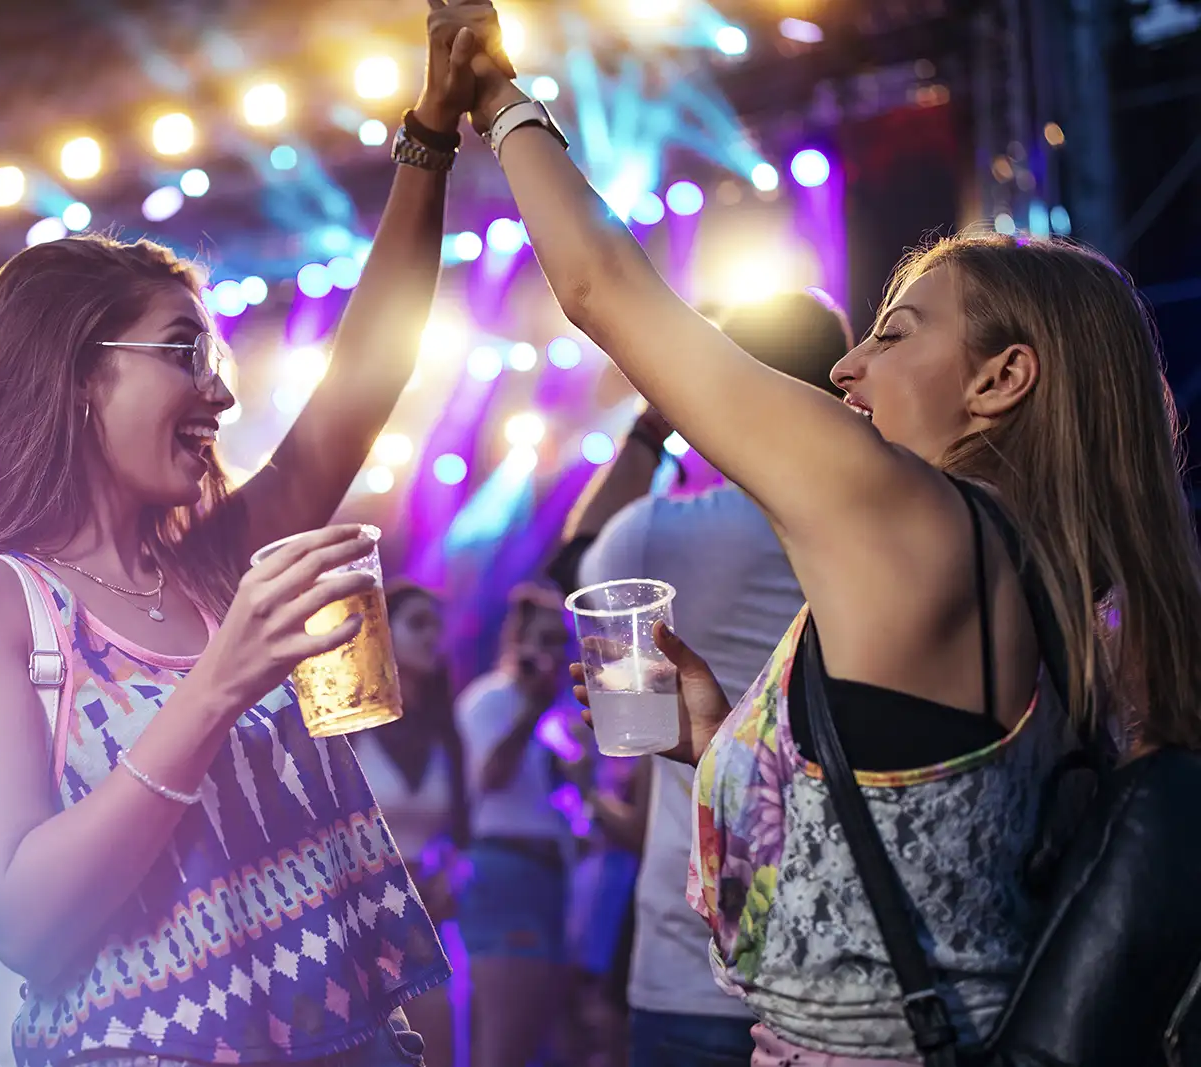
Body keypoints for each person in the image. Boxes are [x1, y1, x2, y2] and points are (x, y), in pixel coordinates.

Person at [450, 14, 1201, 1063]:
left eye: (893, 334)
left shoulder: (915, 518)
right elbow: (917, 843)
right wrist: (718, 731)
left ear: (1000, 379)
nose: (847, 370)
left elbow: (601, 290)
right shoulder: (1061, 575)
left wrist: (494, 95)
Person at [0, 8, 511, 1065]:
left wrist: (430, 135)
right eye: (181, 352)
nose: (217, 389)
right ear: (80, 377)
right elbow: (27, 919)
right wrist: (219, 683)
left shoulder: (211, 565)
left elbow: (365, 381)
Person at [552, 294, 852, 1067]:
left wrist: (657, 424)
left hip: (693, 952)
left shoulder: (664, 534)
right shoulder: (886, 524)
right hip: (849, 948)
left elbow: (573, 565)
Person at [452, 583, 574, 1067]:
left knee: (535, 1043)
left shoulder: (563, 714)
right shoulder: (490, 700)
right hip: (504, 872)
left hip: (550, 878)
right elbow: (490, 776)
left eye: (560, 641)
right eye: (541, 640)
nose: (551, 654)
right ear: (516, 644)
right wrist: (533, 710)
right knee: (503, 1045)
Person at [351, 581, 468, 1067]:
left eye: (437, 626)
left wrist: (449, 878)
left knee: (441, 1051)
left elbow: (466, 836)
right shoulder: (352, 720)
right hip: (361, 912)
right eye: (418, 623)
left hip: (429, 917)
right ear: (383, 633)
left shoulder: (446, 728)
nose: (432, 636)